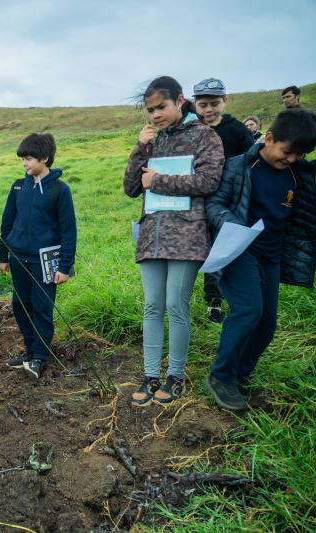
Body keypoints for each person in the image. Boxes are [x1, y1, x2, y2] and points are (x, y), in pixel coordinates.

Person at [204, 108, 316, 411]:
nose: (291, 159)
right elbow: (214, 204)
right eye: (288, 152)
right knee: (248, 310)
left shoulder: (299, 174)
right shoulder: (240, 166)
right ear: (268, 138)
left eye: (300, 155)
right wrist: (232, 223)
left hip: (272, 255)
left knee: (267, 326)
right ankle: (220, 375)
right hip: (239, 249)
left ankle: (239, 375)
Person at [124, 76, 224, 407]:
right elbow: (131, 188)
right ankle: (151, 374)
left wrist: (161, 180)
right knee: (152, 306)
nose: (155, 115)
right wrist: (141, 148)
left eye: (161, 107)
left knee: (174, 305)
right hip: (151, 235)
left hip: (186, 235)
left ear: (180, 100)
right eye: (150, 110)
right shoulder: (152, 140)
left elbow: (209, 181)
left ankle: (175, 375)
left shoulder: (204, 136)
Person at [0, 133, 77, 380]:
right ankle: (30, 350)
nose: (25, 164)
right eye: (23, 159)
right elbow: (7, 222)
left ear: (44, 158)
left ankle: (40, 357)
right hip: (19, 258)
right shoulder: (18, 186)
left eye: (29, 159)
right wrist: (3, 254)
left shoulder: (59, 190)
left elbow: (68, 230)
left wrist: (65, 265)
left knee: (42, 308)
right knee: (20, 306)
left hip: (46, 263)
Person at [192, 78, 254, 323]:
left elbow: (250, 162)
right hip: (197, 199)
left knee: (224, 247)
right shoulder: (192, 129)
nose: (208, 109)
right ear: (196, 105)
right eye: (203, 104)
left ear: (225, 101)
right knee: (204, 250)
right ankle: (212, 299)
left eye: (214, 103)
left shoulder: (238, 130)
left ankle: (221, 297)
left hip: (228, 202)